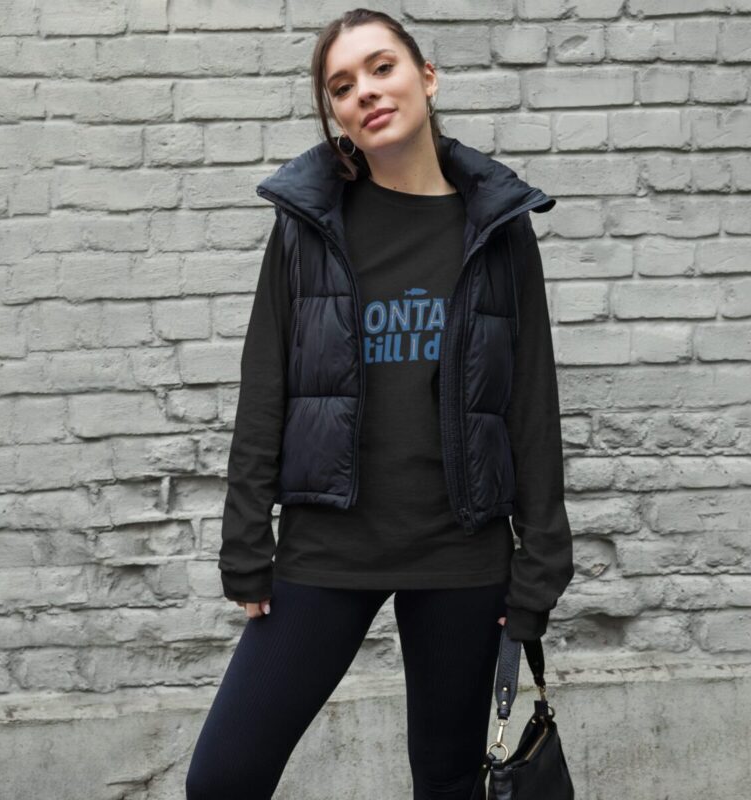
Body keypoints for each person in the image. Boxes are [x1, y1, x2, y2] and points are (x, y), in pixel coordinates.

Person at [185, 9, 575, 800]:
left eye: (381, 67)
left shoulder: (497, 229)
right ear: (334, 115)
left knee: (446, 782)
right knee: (223, 779)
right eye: (342, 86)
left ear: (425, 77)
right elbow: (266, 384)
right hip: (329, 546)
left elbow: (532, 405)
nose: (365, 91)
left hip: (462, 554)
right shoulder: (306, 225)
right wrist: (245, 538)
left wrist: (540, 569)